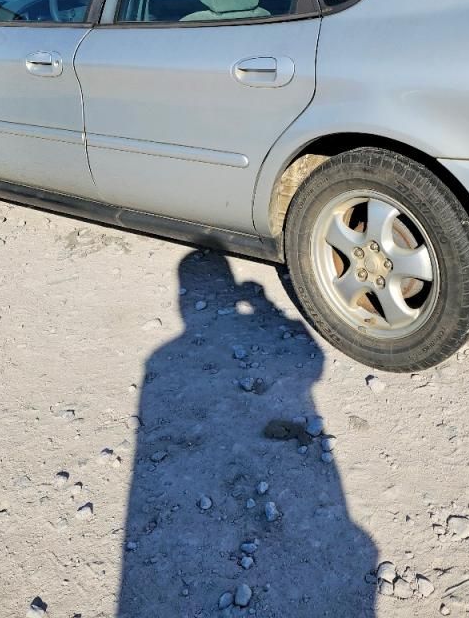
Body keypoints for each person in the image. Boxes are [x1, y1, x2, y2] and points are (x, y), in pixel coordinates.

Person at [115, 250, 378, 616]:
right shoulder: (159, 359)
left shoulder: (160, 359)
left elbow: (312, 363)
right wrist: (264, 305)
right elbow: (313, 361)